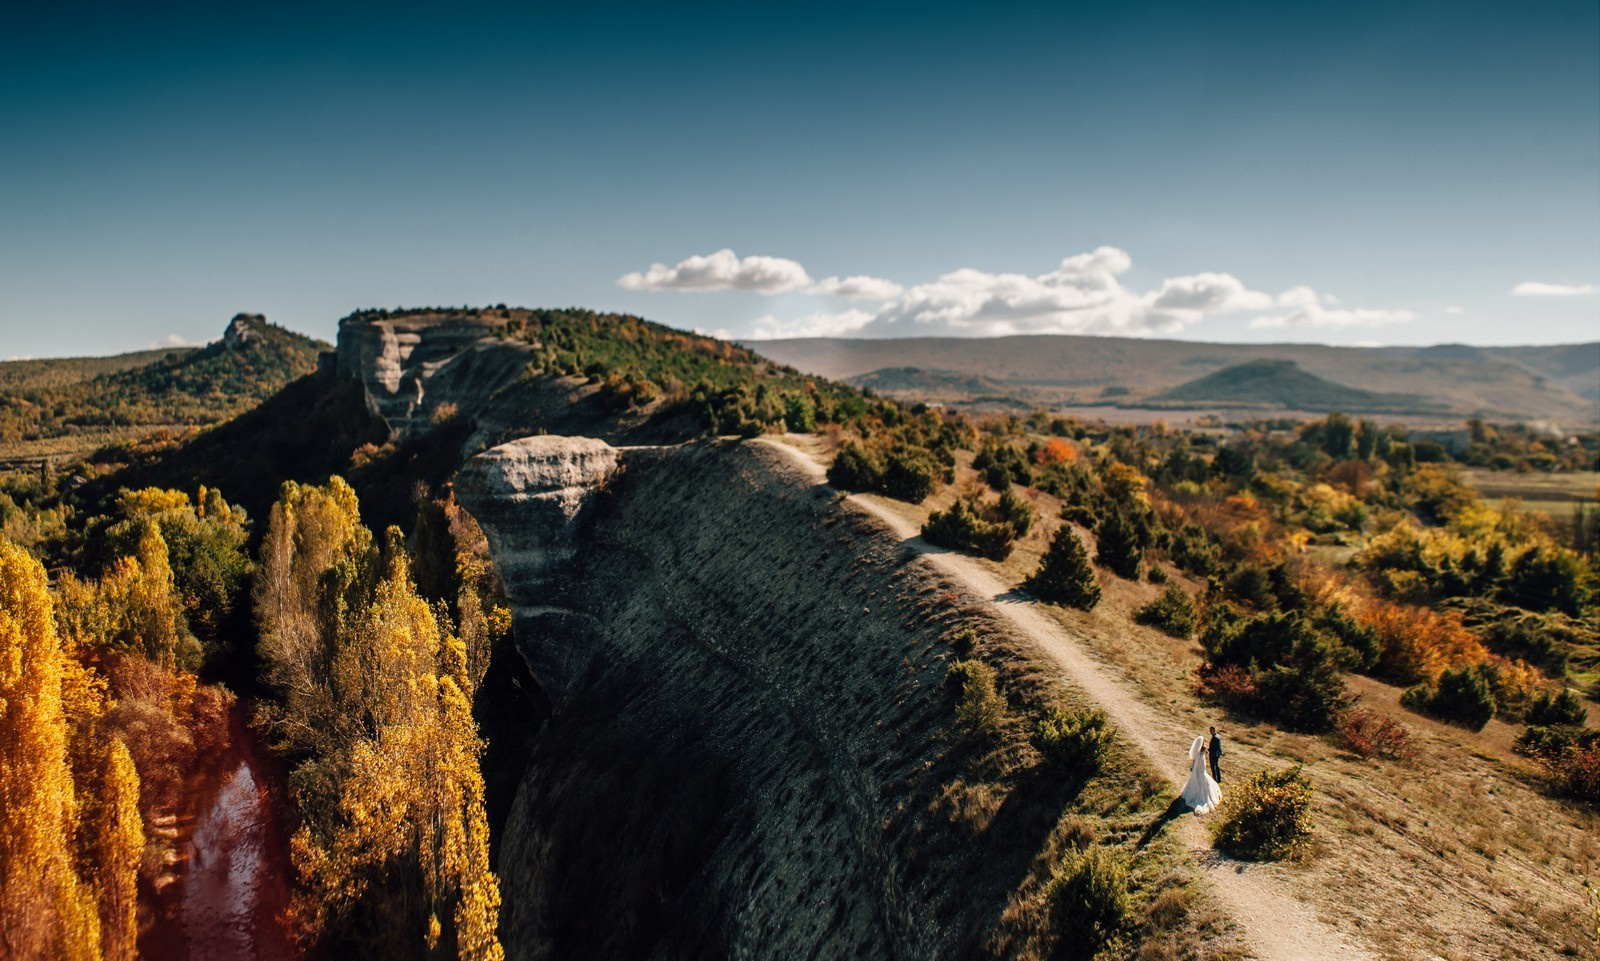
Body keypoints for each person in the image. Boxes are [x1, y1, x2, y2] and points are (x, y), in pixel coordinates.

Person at [1180, 735, 1221, 814]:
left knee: (1198, 776)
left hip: (1198, 764)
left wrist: (1193, 767)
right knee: (1203, 775)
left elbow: (1194, 759)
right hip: (1202, 763)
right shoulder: (1204, 748)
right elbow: (1207, 752)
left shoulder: (1197, 749)